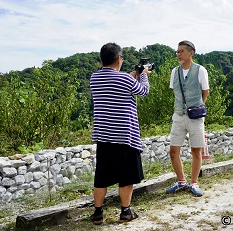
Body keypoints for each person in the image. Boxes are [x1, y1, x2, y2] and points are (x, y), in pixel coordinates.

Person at [89, 42, 151, 225]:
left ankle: (98, 213)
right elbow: (144, 92)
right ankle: (125, 211)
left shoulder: (94, 78)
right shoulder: (125, 79)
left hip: (104, 135)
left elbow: (114, 86)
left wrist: (131, 77)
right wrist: (144, 76)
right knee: (126, 176)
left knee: (101, 176)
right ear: (118, 59)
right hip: (124, 136)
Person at [166, 40, 209, 197]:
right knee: (173, 150)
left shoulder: (200, 70)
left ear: (191, 53)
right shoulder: (174, 72)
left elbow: (205, 91)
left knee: (196, 150)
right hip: (178, 115)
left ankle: (194, 182)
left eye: (182, 51)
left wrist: (197, 107)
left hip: (195, 117)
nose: (178, 54)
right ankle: (181, 181)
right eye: (177, 51)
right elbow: (176, 92)